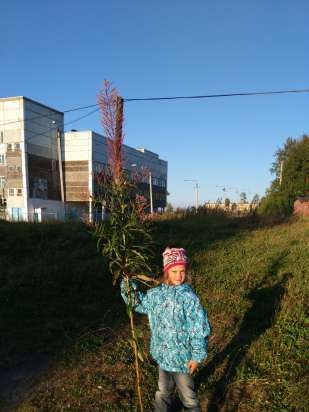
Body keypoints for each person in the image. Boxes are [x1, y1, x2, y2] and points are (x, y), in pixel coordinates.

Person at [120, 247, 211, 412]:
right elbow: (138, 303)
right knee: (163, 392)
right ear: (166, 271)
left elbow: (199, 327)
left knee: (189, 397)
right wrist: (128, 284)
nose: (179, 275)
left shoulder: (189, 298)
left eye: (182, 271)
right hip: (163, 357)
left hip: (183, 359)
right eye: (174, 271)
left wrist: (197, 356)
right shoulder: (156, 295)